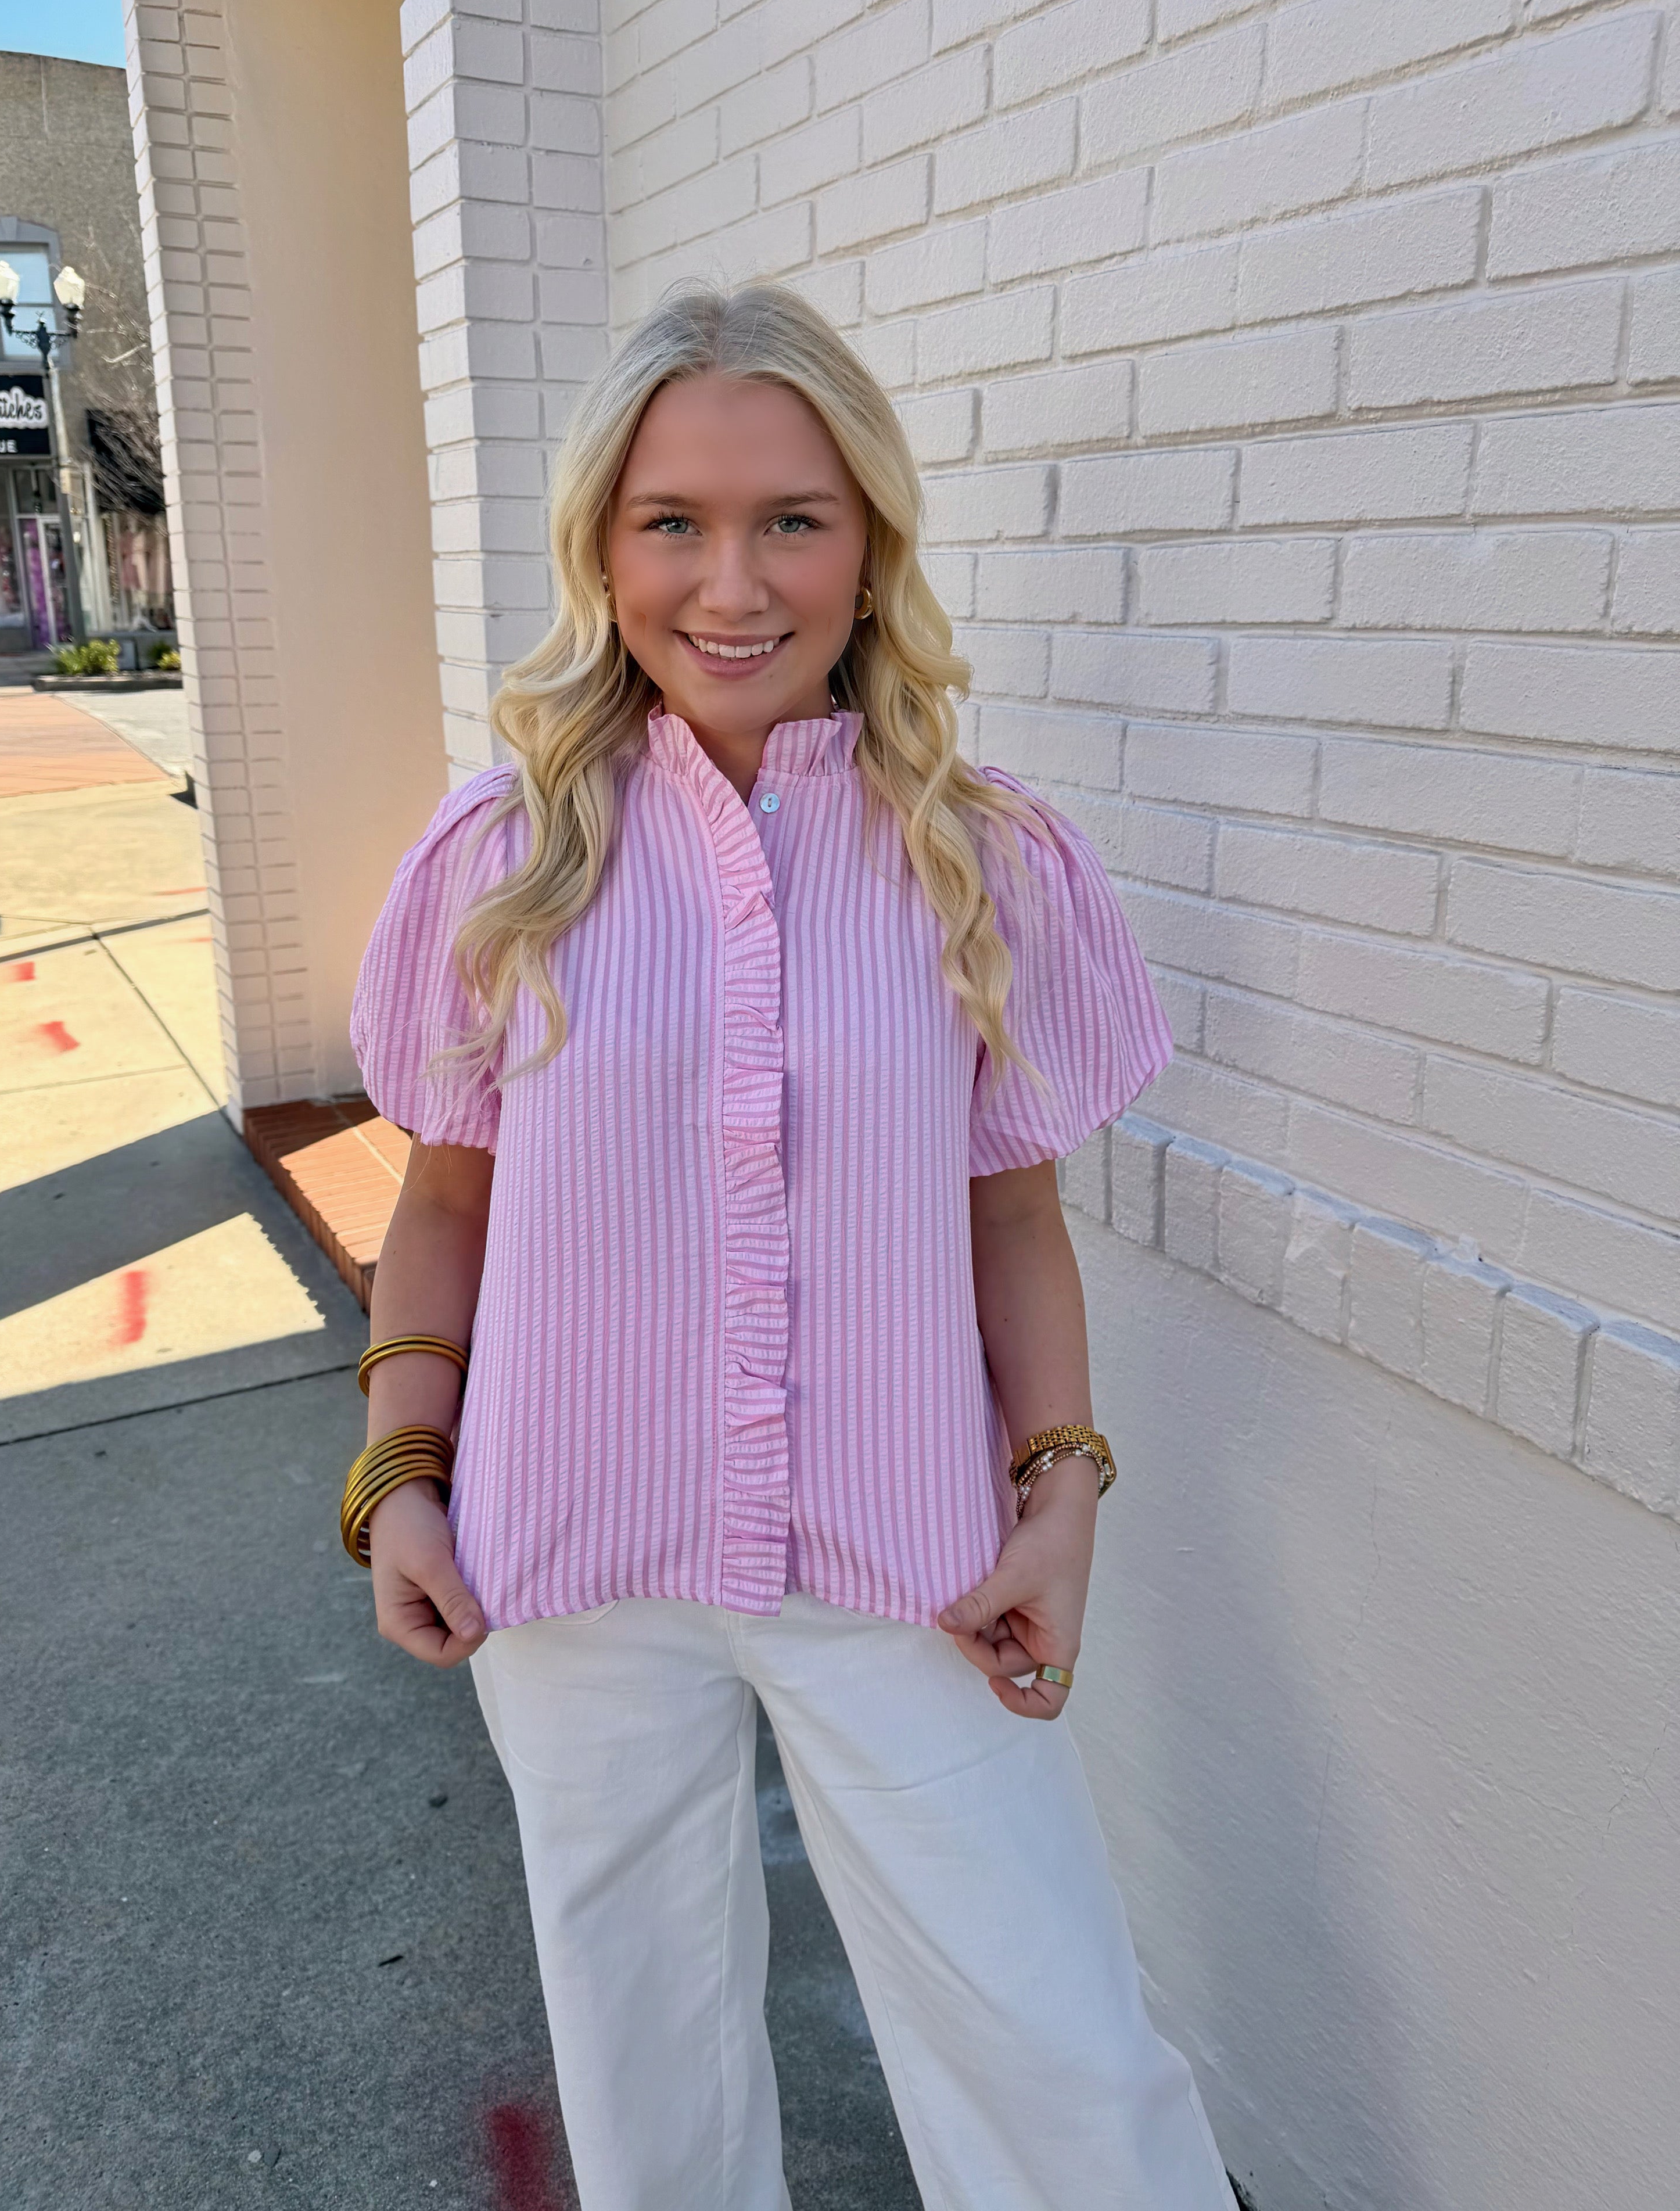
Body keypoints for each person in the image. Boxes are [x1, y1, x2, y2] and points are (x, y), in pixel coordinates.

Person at [346, 282, 1236, 2210]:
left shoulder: (982, 858)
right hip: (568, 1565)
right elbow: (444, 1206)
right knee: (645, 2065)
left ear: (870, 545)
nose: (730, 583)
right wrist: (399, 1476)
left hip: (905, 1555)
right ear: (603, 544)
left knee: (1063, 2057)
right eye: (674, 521)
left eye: (791, 520)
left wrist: (1060, 1494)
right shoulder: (497, 863)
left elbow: (1013, 1213)